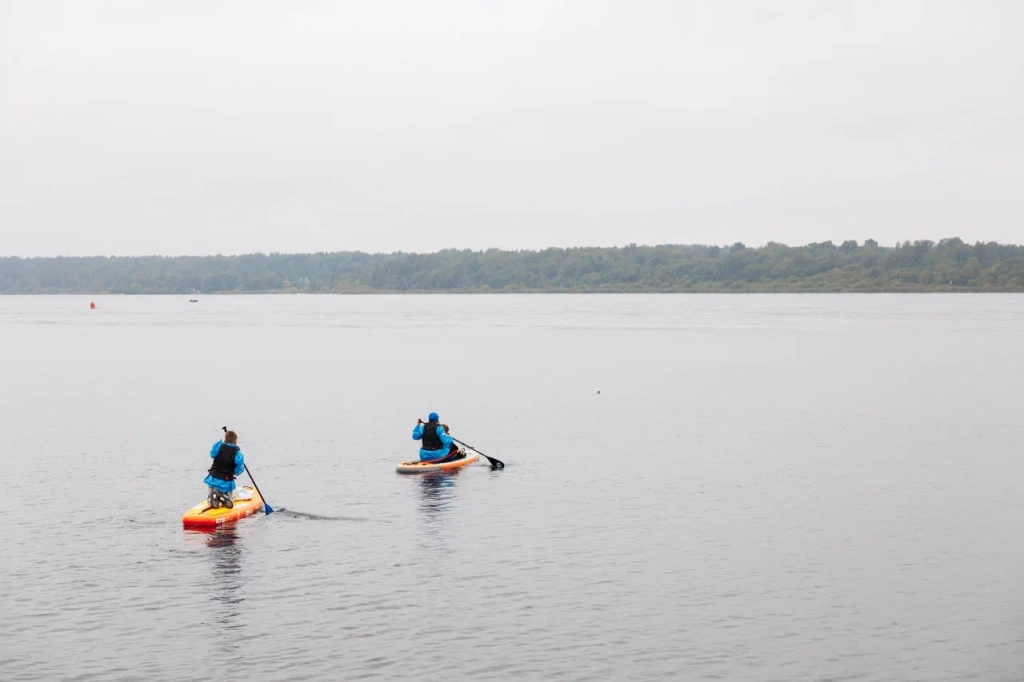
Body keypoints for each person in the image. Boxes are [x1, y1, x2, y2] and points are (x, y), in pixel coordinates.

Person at [205, 430, 245, 509]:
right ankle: (224, 497)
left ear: (225, 439)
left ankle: (213, 498)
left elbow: (212, 454)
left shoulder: (218, 446)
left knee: (210, 501)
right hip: (227, 483)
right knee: (229, 501)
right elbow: (238, 471)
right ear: (235, 441)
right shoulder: (238, 454)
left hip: (213, 480)